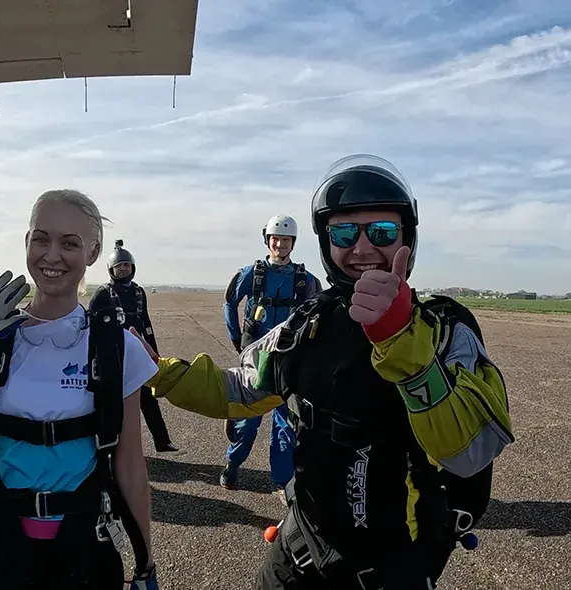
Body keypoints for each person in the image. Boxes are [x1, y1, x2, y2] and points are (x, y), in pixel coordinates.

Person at [139, 155, 514, 590]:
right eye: (344, 232)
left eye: (382, 232)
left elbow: (469, 453)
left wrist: (403, 346)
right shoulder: (309, 323)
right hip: (302, 548)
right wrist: (160, 373)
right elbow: (239, 388)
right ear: (326, 241)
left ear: (407, 239)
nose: (362, 247)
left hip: (393, 561)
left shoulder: (445, 330)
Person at [0, 189, 159, 589]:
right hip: (0, 546)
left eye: (69, 243)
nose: (51, 255)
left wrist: (145, 564)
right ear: (26, 242)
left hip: (84, 548)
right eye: (41, 238)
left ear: (93, 252)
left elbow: (129, 465)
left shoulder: (115, 347)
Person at [221, 215, 321, 500]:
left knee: (285, 422)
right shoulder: (252, 273)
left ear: (293, 243)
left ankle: (280, 480)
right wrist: (237, 338)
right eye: (276, 239)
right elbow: (230, 302)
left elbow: (320, 311)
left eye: (286, 240)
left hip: (288, 360)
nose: (280, 244)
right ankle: (233, 462)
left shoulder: (306, 281)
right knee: (249, 418)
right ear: (268, 240)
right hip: (259, 359)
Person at [89, 239, 184, 456]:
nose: (123, 269)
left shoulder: (139, 292)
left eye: (127, 265)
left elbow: (146, 323)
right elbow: (90, 327)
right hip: (112, 354)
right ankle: (111, 445)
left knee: (148, 398)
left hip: (138, 352)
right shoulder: (103, 294)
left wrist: (154, 354)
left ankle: (162, 441)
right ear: (111, 269)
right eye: (119, 266)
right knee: (113, 401)